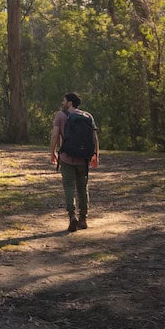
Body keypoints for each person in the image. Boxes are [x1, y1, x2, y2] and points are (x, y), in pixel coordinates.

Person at [50, 92, 99, 232]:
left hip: (66, 157)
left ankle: (72, 217)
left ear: (70, 102)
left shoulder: (61, 115)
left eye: (64, 100)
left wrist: (52, 152)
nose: (62, 103)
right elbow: (94, 137)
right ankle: (83, 219)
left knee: (69, 187)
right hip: (83, 158)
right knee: (83, 188)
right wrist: (96, 154)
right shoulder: (88, 116)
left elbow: (55, 135)